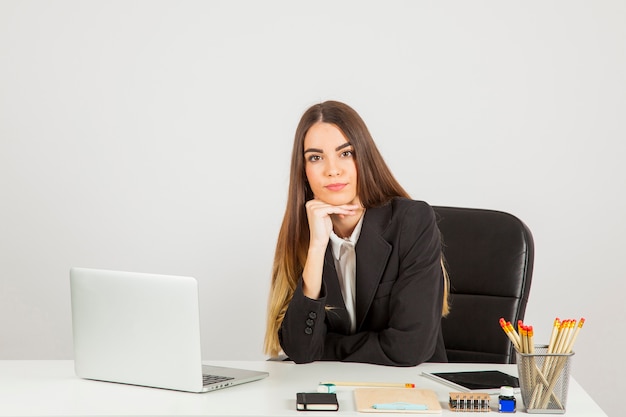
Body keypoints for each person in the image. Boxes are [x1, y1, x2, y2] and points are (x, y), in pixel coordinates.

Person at [264, 100, 449, 366]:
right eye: (316, 158)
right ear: (304, 172)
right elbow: (302, 351)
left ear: (364, 158)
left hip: (409, 391)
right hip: (331, 390)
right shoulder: (304, 234)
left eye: (345, 153)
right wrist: (316, 248)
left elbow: (410, 348)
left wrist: (326, 349)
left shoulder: (412, 222)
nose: (332, 170)